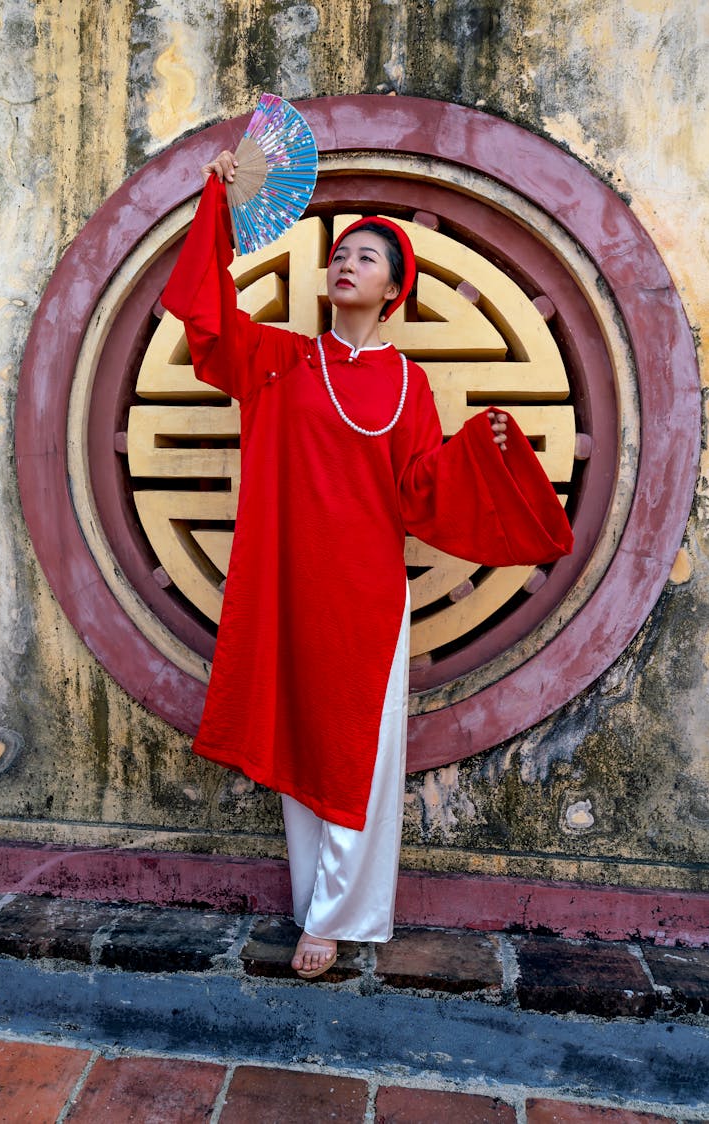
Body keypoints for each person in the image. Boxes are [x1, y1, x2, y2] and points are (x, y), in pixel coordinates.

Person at [161, 149, 573, 979]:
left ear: (394, 291)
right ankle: (316, 899)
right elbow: (205, 320)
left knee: (356, 753)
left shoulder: (408, 383)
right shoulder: (278, 360)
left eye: (367, 257)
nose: (347, 261)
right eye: (341, 253)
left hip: (365, 594)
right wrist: (215, 198)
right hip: (286, 586)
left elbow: (424, 491)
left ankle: (340, 915)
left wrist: (486, 453)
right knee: (295, 740)